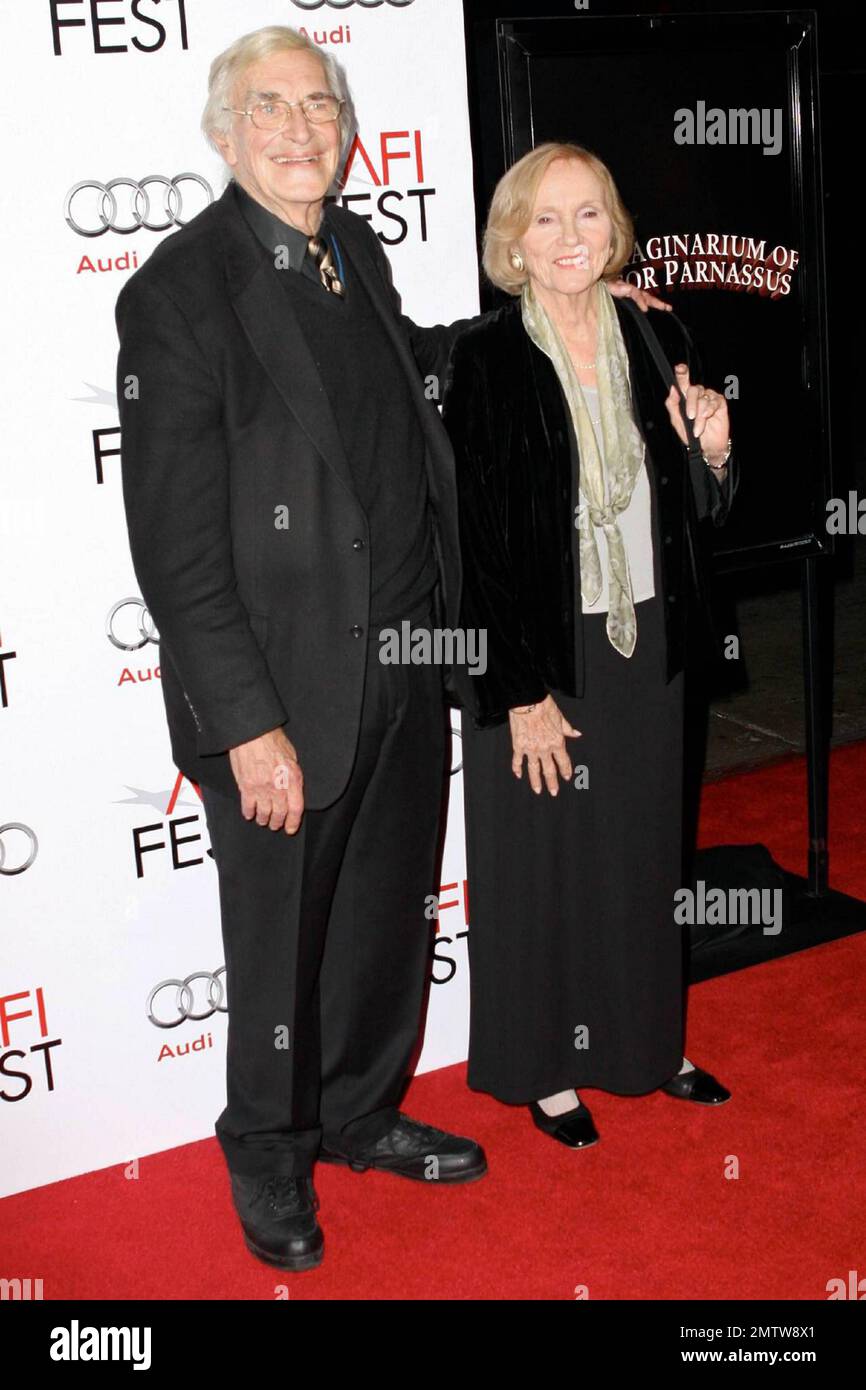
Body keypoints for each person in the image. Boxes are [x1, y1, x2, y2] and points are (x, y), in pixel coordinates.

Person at [116, 27, 663, 1270]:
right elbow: (176, 550)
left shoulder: (346, 248)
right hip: (281, 694)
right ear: (223, 133)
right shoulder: (180, 293)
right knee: (276, 948)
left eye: (321, 106)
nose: (303, 129)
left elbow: (417, 374)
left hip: (407, 665)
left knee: (379, 922)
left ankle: (359, 1111)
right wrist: (246, 725)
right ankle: (267, 1152)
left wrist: (564, 300)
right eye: (272, 110)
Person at [441, 142, 737, 1150]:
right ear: (511, 242)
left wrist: (715, 449)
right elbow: (471, 543)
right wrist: (516, 690)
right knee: (540, 858)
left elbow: (698, 508)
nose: (569, 238)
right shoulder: (483, 360)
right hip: (538, 649)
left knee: (641, 849)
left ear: (613, 232)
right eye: (546, 219)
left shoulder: (654, 335)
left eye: (589, 217)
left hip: (646, 635)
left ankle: (643, 1045)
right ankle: (543, 1064)